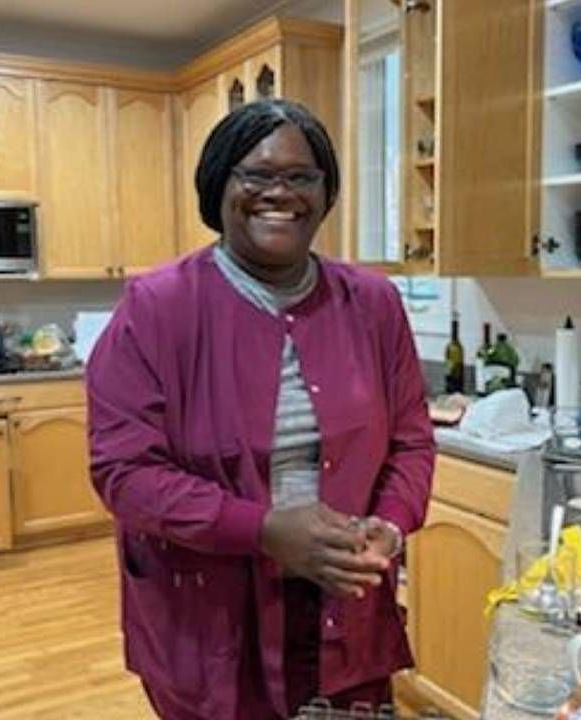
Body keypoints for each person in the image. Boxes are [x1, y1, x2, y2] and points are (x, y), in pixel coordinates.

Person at [86, 99, 435, 720]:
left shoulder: (374, 303)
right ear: (218, 185)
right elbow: (125, 472)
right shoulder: (156, 307)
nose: (280, 192)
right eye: (256, 174)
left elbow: (411, 440)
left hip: (344, 604)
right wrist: (265, 530)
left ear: (326, 195)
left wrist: (391, 522)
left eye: (302, 177)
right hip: (208, 618)